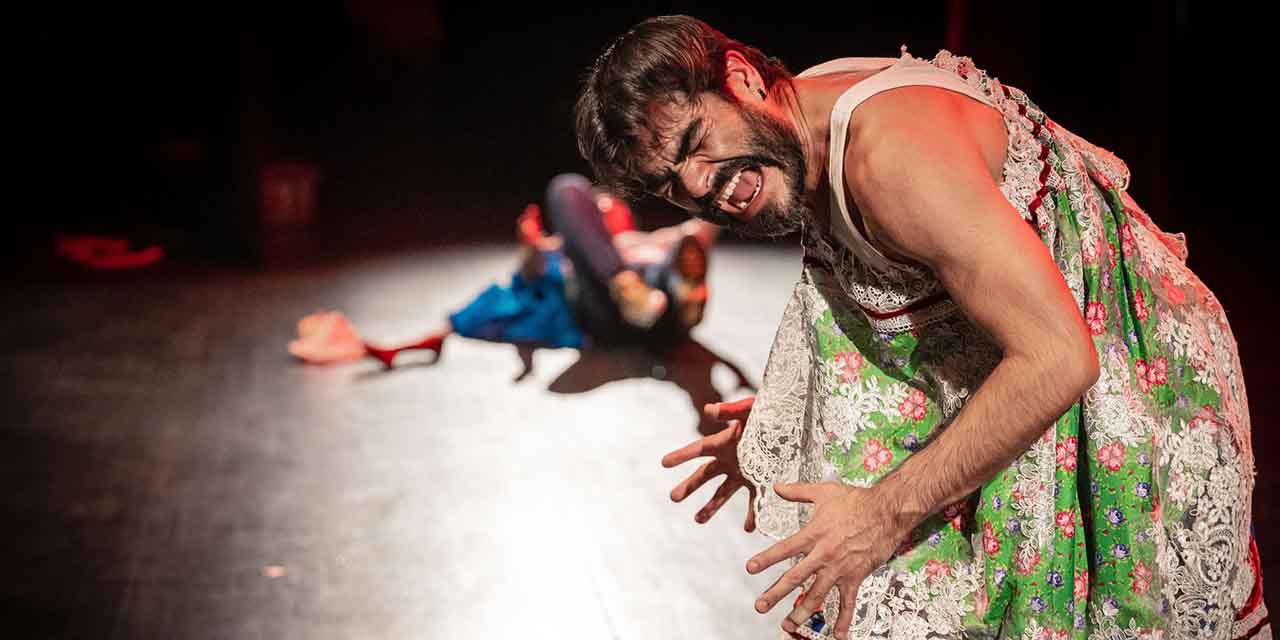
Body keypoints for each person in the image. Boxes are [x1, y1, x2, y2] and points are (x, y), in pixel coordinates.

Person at [575, 15, 1267, 640]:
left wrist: (881, 516)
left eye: (696, 142)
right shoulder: (801, 120)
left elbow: (1058, 357)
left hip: (1131, 382)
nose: (698, 187)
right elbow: (926, 307)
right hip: (1045, 344)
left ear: (742, 77)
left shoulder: (890, 158)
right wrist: (784, 424)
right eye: (670, 182)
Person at [289, 173, 718, 368]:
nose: (605, 209)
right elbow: (519, 287)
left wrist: (709, 203)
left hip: (658, 312)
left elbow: (700, 232)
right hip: (602, 313)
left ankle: (677, 300)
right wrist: (531, 247)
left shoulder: (649, 241)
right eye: (598, 210)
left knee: (672, 265)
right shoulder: (568, 251)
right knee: (567, 188)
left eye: (610, 207)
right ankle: (642, 294)